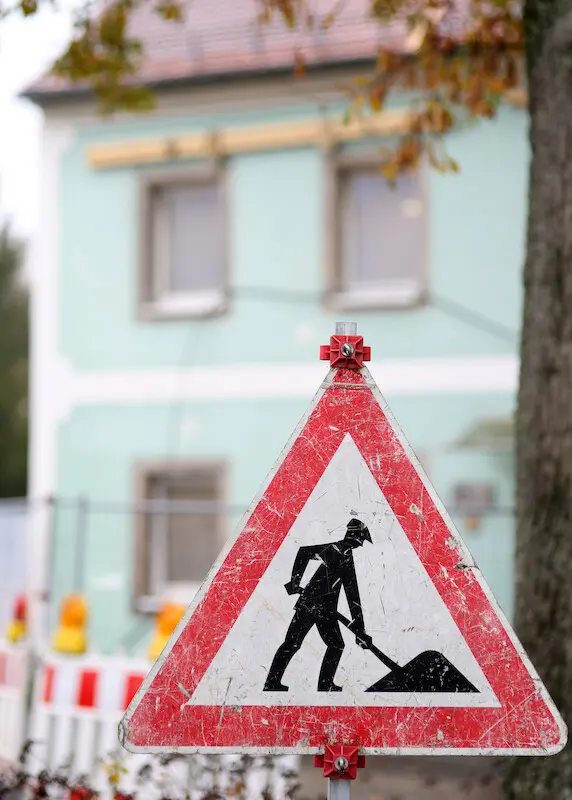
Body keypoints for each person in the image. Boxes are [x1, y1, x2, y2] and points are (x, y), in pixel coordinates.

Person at [263, 518, 373, 692]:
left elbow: (353, 596)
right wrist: (294, 581)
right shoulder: (337, 550)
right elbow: (304, 552)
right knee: (319, 644)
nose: (361, 545)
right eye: (361, 540)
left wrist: (360, 631)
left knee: (297, 643)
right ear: (356, 536)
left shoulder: (344, 554)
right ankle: (319, 685)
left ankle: (277, 683)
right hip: (317, 608)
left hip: (316, 607)